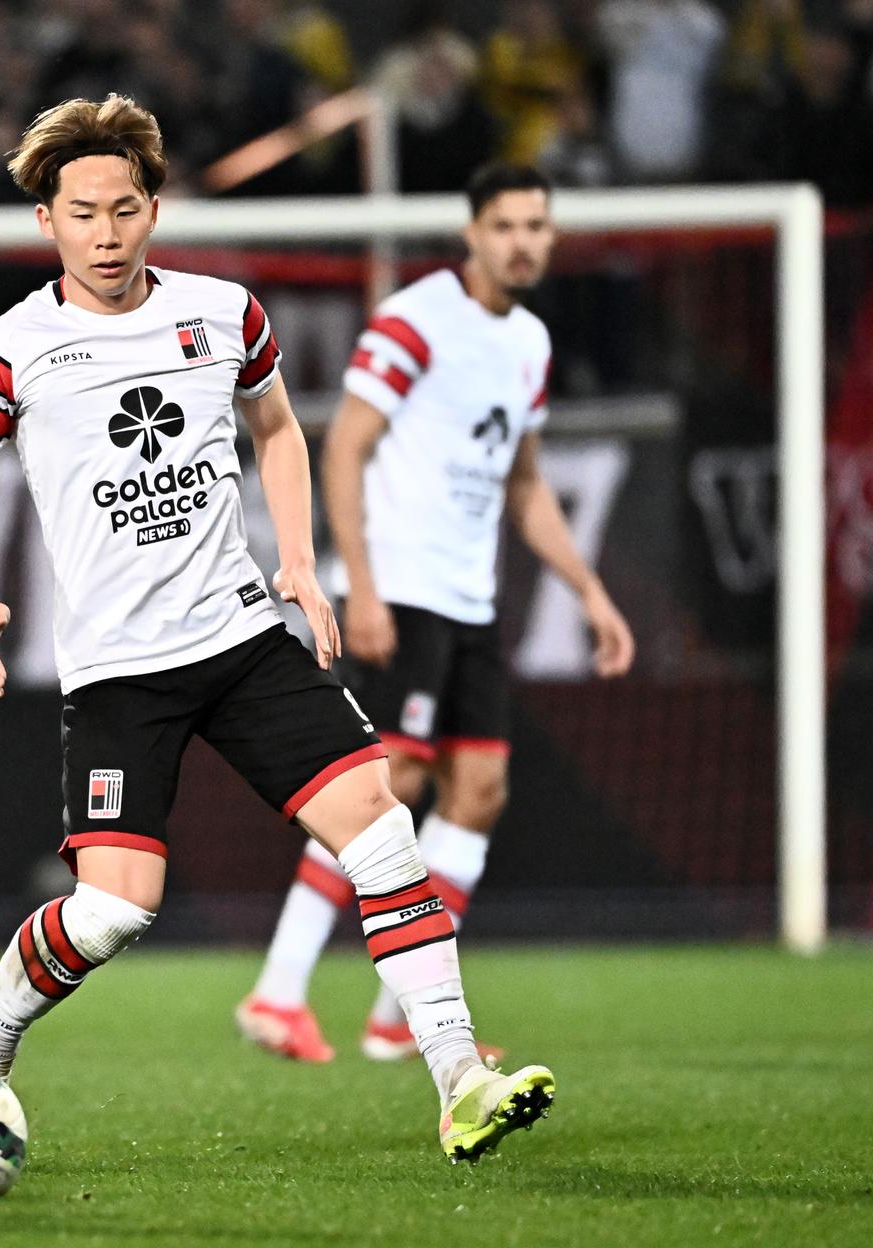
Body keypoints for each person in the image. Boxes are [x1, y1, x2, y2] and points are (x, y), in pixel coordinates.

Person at [0, 95, 554, 1163]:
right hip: (120, 670)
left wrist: (303, 561)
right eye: (83, 213)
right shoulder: (5, 351)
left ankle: (459, 1076)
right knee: (115, 908)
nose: (107, 233)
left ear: (155, 208)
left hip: (240, 637)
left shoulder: (224, 312)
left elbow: (277, 427)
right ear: (48, 222)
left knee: (381, 823)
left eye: (126, 209)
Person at [238, 163, 635, 1065]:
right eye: (506, 225)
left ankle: (394, 1017)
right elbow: (343, 446)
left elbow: (525, 483)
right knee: (394, 784)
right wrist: (362, 586)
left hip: (472, 602)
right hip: (405, 588)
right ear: (474, 232)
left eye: (537, 225)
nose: (523, 241)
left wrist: (589, 590)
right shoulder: (420, 318)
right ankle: (278, 991)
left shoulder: (528, 343)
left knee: (481, 792)